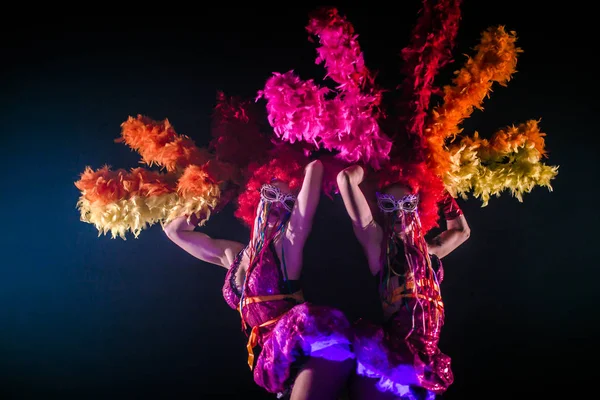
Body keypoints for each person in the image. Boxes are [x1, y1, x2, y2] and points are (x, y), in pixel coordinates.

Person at [164, 155, 355, 400]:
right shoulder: (233, 254)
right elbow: (174, 231)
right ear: (255, 198)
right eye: (271, 195)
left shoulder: (287, 245)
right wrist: (215, 202)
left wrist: (301, 161)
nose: (277, 205)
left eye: (287, 202)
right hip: (274, 361)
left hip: (307, 350)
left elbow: (314, 172)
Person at [336, 164, 470, 400]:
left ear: (418, 207)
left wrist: (437, 186)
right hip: (394, 355)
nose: (399, 213)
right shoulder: (379, 246)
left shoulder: (430, 252)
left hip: (428, 359)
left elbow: (462, 231)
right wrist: (375, 170)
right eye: (389, 205)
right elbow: (346, 179)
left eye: (407, 205)